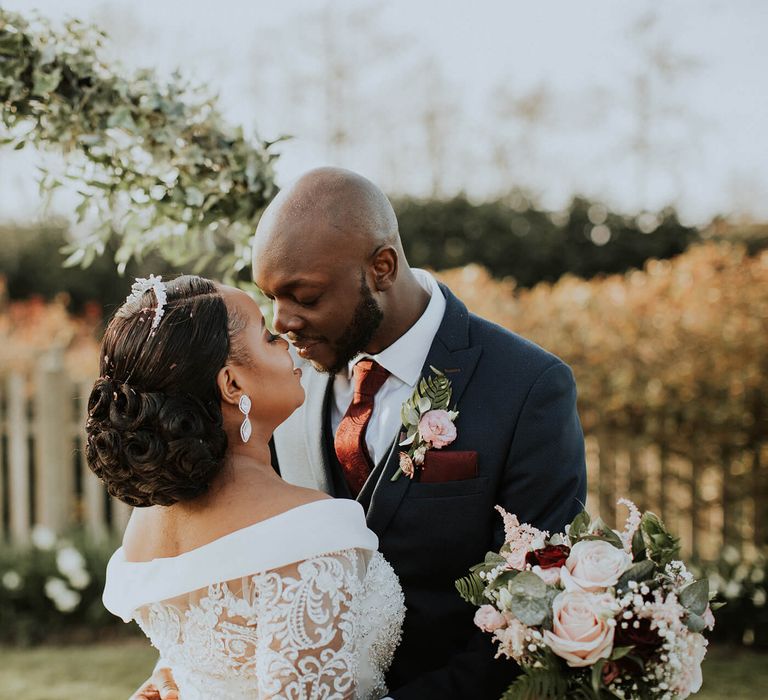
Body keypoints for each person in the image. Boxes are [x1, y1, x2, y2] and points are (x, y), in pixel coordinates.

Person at [136, 167, 587, 699]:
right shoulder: (281, 388)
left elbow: (535, 601)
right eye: (271, 297)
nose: (283, 323)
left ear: (381, 267)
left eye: (304, 296)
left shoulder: (528, 387)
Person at [92, 274, 405, 700]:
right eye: (268, 336)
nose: (288, 340)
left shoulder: (147, 522)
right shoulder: (311, 531)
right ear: (232, 384)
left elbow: (210, 660)